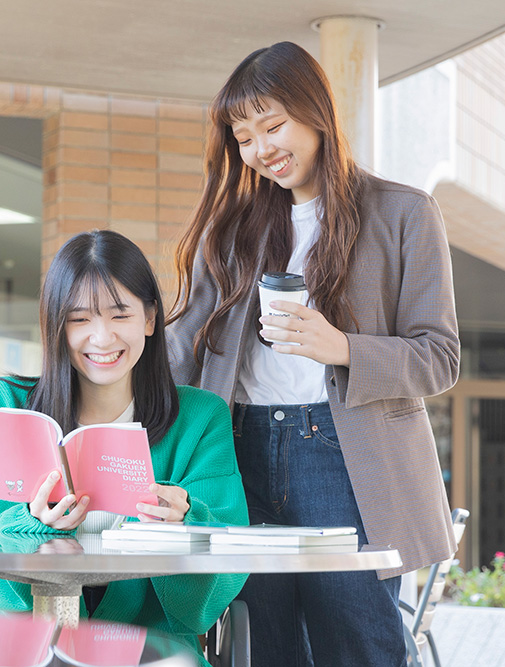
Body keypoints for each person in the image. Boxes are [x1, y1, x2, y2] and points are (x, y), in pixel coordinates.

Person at [166, 41, 460, 666]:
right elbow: (180, 347)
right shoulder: (233, 230)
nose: (261, 149)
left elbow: (439, 356)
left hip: (344, 453)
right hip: (239, 448)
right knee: (259, 643)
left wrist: (343, 348)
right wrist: (98, 350)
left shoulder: (404, 212)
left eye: (273, 126)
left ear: (317, 112)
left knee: (358, 642)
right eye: (244, 137)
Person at [0, 229, 248, 650]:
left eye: (120, 315)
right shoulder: (5, 405)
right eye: (79, 319)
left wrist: (185, 524)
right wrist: (30, 525)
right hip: (31, 645)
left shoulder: (200, 418)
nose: (102, 338)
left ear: (150, 319)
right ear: (57, 326)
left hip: (147, 650)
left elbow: (208, 597)